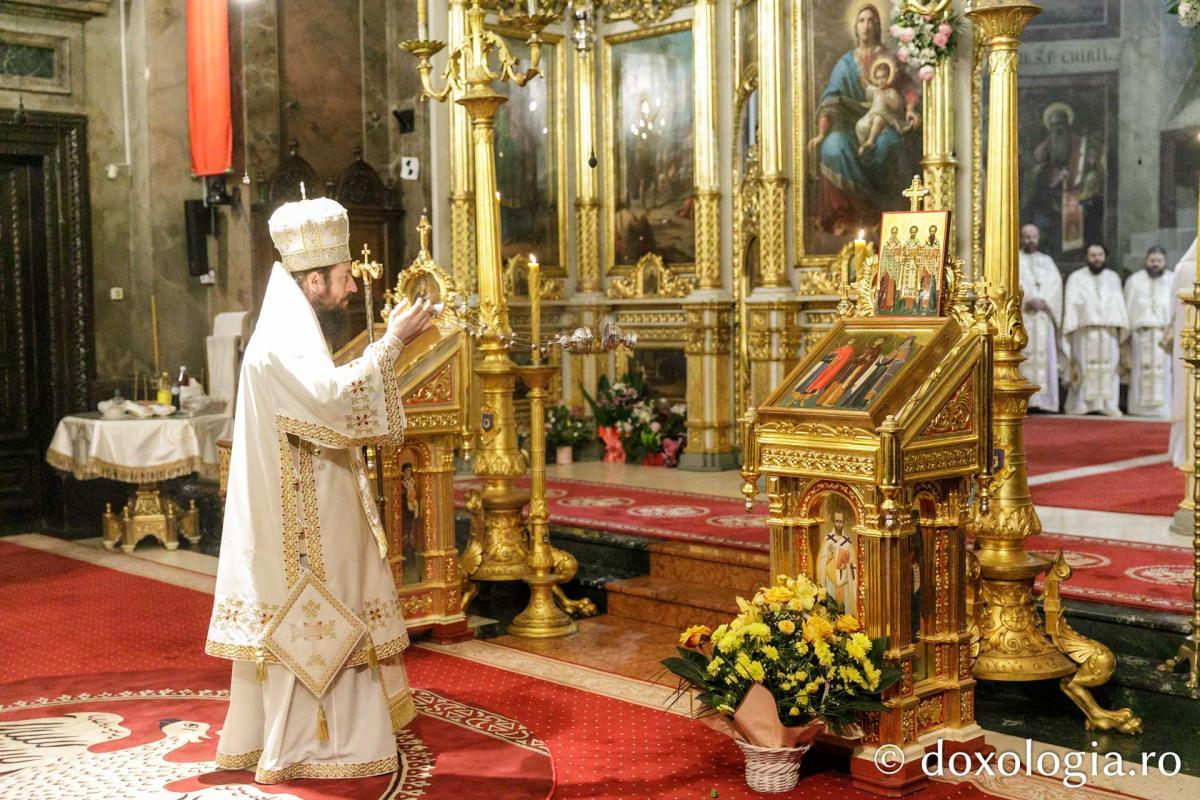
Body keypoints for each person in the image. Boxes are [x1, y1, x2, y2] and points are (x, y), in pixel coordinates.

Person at [206, 195, 435, 782]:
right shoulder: (281, 341)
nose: (352, 289)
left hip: (314, 500)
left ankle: (339, 734)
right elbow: (333, 403)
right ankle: (318, 744)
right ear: (312, 280)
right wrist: (393, 342)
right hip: (299, 523)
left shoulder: (292, 327)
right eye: (342, 279)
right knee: (324, 616)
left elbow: (327, 396)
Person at [808, 4, 919, 234]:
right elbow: (830, 100)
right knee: (832, 146)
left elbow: (906, 87)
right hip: (850, 126)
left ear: (878, 26)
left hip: (885, 120)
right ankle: (845, 215)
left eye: (871, 20)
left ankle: (890, 215)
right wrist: (821, 133)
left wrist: (910, 109)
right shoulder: (845, 64)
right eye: (862, 20)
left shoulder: (888, 59)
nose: (866, 25)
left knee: (890, 143)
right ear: (855, 27)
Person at [1062, 243, 1129, 416]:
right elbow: (1071, 303)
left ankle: (1108, 403)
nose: (1097, 258)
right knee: (1083, 365)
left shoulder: (1113, 277)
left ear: (1105, 256)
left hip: (1108, 331)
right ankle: (1083, 403)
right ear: (1087, 257)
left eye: (1100, 255)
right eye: (1093, 255)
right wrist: (1073, 325)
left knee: (1110, 367)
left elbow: (1118, 304)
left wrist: (1120, 326)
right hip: (1085, 330)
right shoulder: (1076, 278)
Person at [1018, 224, 1063, 412]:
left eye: (1033, 236)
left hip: (1044, 318)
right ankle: (1026, 402)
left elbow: (1056, 285)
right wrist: (1026, 301)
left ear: (1038, 238)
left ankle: (1044, 401)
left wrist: (1044, 302)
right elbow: (1012, 284)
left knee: (1045, 359)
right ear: (1021, 238)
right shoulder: (1014, 259)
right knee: (1025, 358)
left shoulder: (1047, 261)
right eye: (1027, 236)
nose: (1030, 240)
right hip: (1024, 318)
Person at [1124, 246, 1174, 418]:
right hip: (1141, 334)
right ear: (1146, 261)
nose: (1155, 264)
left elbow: (1176, 310)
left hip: (1163, 334)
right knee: (1140, 370)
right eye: (1152, 261)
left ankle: (1162, 409)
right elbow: (1128, 307)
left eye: (1159, 261)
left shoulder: (1172, 280)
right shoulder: (1134, 281)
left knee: (1164, 372)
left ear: (1165, 262)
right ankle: (1139, 409)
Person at [1168, 239, 1197, 466]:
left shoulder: (1181, 269)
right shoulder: (1185, 269)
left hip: (1186, 343)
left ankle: (1184, 451)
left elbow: (1170, 313)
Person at [855, 57, 911, 155]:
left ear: (889, 76)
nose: (881, 80)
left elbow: (898, 107)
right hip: (871, 116)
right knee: (860, 125)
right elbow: (866, 85)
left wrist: (887, 101)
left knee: (878, 119)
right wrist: (862, 75)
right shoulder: (876, 91)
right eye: (878, 77)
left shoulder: (891, 92)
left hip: (887, 117)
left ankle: (870, 142)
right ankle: (864, 146)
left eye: (883, 77)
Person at [816, 510, 856, 612]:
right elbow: (821, 561)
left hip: (844, 580)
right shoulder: (828, 540)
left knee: (843, 606)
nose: (839, 524)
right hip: (830, 579)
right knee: (831, 605)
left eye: (841, 522)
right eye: (837, 521)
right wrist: (828, 558)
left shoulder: (847, 541)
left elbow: (854, 563)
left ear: (844, 522)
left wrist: (846, 563)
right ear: (833, 522)